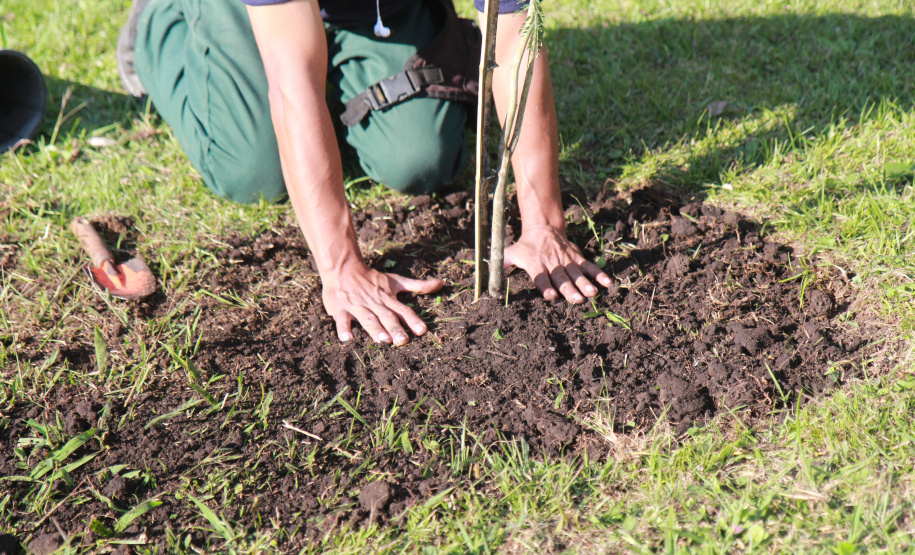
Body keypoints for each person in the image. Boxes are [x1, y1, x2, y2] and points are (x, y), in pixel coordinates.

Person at [117, 0, 612, 346]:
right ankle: (161, 22)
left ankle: (344, 53)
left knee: (419, 159)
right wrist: (341, 268)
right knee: (251, 168)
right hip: (247, 10)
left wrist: (544, 223)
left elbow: (515, 39)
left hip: (374, 10)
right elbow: (291, 82)